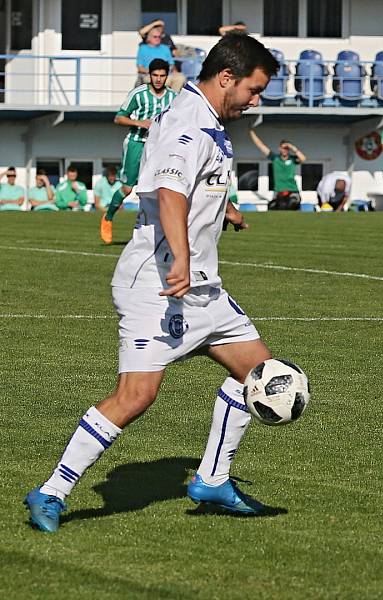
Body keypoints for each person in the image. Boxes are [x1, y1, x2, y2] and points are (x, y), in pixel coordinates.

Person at [24, 32, 280, 533]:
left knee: (261, 373)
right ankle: (50, 492)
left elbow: (192, 185)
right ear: (226, 78)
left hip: (202, 285)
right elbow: (169, 193)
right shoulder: (187, 122)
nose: (255, 101)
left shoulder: (206, 120)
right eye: (253, 90)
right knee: (136, 396)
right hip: (159, 284)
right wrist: (181, 260)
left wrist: (221, 207)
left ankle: (212, 479)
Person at [102, 59, 177, 244]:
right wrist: (139, 123)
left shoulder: (174, 97)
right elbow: (119, 118)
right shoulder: (138, 94)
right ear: (149, 76)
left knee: (160, 188)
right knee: (128, 188)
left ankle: (155, 229)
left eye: (162, 76)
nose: (158, 79)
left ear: (167, 76)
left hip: (159, 147)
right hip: (137, 143)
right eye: (155, 75)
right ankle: (108, 217)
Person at [249, 129, 306, 210]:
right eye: (283, 148)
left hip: (293, 191)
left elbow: (303, 159)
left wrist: (292, 147)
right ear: (279, 148)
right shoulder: (275, 158)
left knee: (292, 203)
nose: (285, 150)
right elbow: (260, 145)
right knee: (274, 206)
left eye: (287, 148)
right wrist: (251, 131)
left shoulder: (292, 159)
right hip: (279, 192)